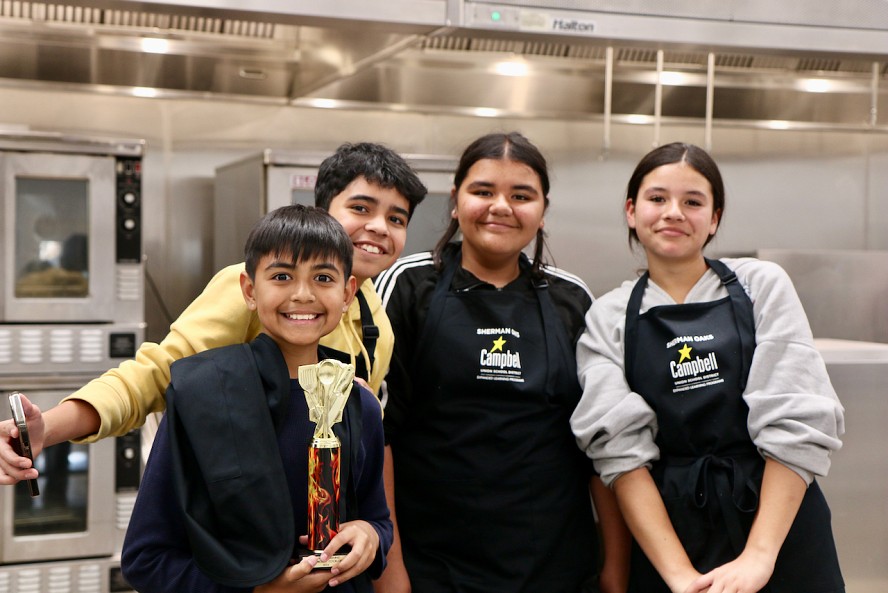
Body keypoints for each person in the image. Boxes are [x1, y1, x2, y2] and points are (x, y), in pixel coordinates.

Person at [0, 141, 427, 483]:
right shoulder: (253, 292)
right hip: (234, 515)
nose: (378, 228)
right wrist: (49, 429)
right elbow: (155, 375)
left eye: (396, 218)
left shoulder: (376, 321)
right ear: (322, 210)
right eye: (361, 208)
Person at [569, 142, 845, 593]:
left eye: (693, 202)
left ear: (714, 218)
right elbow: (619, 451)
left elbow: (797, 420)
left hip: (779, 525)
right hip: (670, 535)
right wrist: (679, 577)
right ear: (631, 210)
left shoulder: (762, 285)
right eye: (657, 198)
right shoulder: (608, 315)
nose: (673, 212)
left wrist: (759, 558)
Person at [374, 132, 629, 593]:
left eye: (521, 195)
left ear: (543, 209)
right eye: (483, 191)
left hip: (557, 567)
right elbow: (379, 437)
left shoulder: (573, 299)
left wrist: (615, 566)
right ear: (456, 201)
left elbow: (599, 446)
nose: (501, 207)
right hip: (435, 567)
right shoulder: (407, 286)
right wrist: (392, 574)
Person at [121, 204, 392, 593]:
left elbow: (378, 520)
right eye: (282, 276)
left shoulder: (359, 403)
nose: (302, 294)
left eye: (323, 277)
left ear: (347, 293)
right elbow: (147, 559)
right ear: (249, 290)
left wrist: (370, 535)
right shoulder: (201, 393)